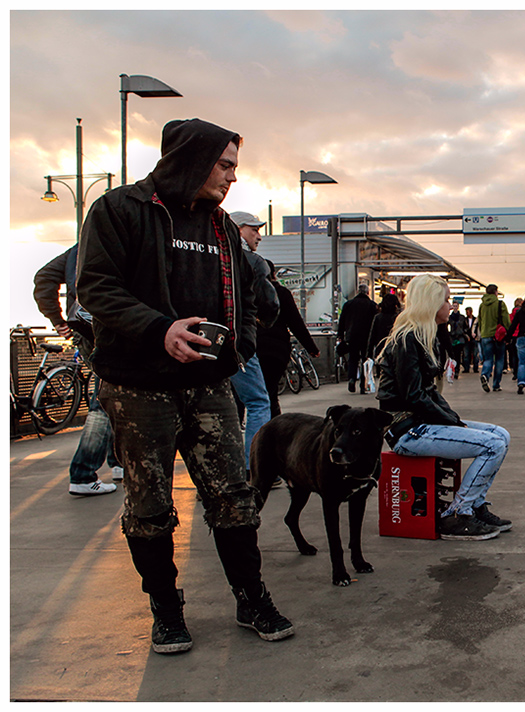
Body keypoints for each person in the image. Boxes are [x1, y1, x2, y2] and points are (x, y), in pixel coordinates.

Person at [77, 118, 294, 655]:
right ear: (191, 160)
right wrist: (159, 329)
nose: (231, 178)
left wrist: (238, 346)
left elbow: (248, 289)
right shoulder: (120, 210)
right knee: (149, 505)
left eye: (234, 167)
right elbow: (96, 287)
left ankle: (251, 598)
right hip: (137, 387)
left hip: (208, 385)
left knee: (234, 497)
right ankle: (166, 610)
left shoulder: (219, 226)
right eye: (224, 165)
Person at [375, 274, 511, 540]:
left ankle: (474, 504)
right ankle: (457, 514)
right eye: (446, 300)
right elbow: (415, 396)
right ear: (430, 303)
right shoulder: (407, 339)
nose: (451, 306)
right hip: (406, 431)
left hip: (421, 425)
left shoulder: (425, 335)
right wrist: (451, 422)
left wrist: (452, 419)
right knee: (492, 445)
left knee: (501, 435)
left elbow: (427, 394)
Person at [32, 244, 120, 495]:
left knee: (112, 392)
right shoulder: (112, 241)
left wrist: (58, 320)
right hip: (109, 328)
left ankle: (117, 462)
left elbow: (44, 277)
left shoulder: (78, 249)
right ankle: (83, 473)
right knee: (104, 400)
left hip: (84, 328)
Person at [227, 211, 280, 474]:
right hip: (237, 342)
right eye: (253, 230)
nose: (258, 236)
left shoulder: (209, 256)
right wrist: (263, 322)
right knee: (258, 401)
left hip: (202, 338)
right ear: (237, 230)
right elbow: (269, 303)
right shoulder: (253, 261)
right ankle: (254, 465)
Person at [257, 259, 320, 419]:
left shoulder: (248, 293)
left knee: (252, 393)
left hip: (252, 348)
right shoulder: (282, 293)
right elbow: (296, 323)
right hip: (276, 350)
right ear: (273, 274)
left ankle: (248, 426)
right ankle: (272, 427)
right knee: (270, 391)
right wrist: (311, 348)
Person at [337, 284, 379, 394]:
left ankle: (351, 379)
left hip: (352, 336)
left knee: (353, 358)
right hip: (367, 338)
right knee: (366, 360)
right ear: (368, 293)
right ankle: (363, 385)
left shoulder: (348, 305)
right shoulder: (372, 305)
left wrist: (340, 335)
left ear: (357, 292)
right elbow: (376, 324)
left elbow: (342, 321)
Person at [477, 284, 510, 393]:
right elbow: (506, 320)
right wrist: (508, 333)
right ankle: (496, 384)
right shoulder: (500, 304)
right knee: (499, 360)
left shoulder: (482, 305)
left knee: (488, 359)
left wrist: (482, 332)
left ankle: (485, 375)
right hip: (498, 336)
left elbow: (480, 320)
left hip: (486, 335)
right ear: (496, 292)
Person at [366, 292, 402, 360]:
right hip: (395, 351)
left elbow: (372, 336)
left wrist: (369, 354)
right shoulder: (398, 318)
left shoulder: (378, 318)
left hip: (380, 351)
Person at [446, 302, 470, 380]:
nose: (455, 307)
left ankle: (457, 371)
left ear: (458, 307)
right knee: (452, 355)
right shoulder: (449, 318)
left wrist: (463, 333)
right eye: (454, 306)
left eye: (456, 306)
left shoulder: (462, 318)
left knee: (458, 355)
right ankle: (452, 370)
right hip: (452, 338)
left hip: (460, 338)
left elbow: (466, 327)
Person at [462, 306, 480, 373]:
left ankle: (475, 368)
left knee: (475, 354)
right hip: (467, 339)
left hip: (474, 338)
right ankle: (466, 368)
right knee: (466, 354)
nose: (467, 313)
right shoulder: (464, 320)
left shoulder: (475, 319)